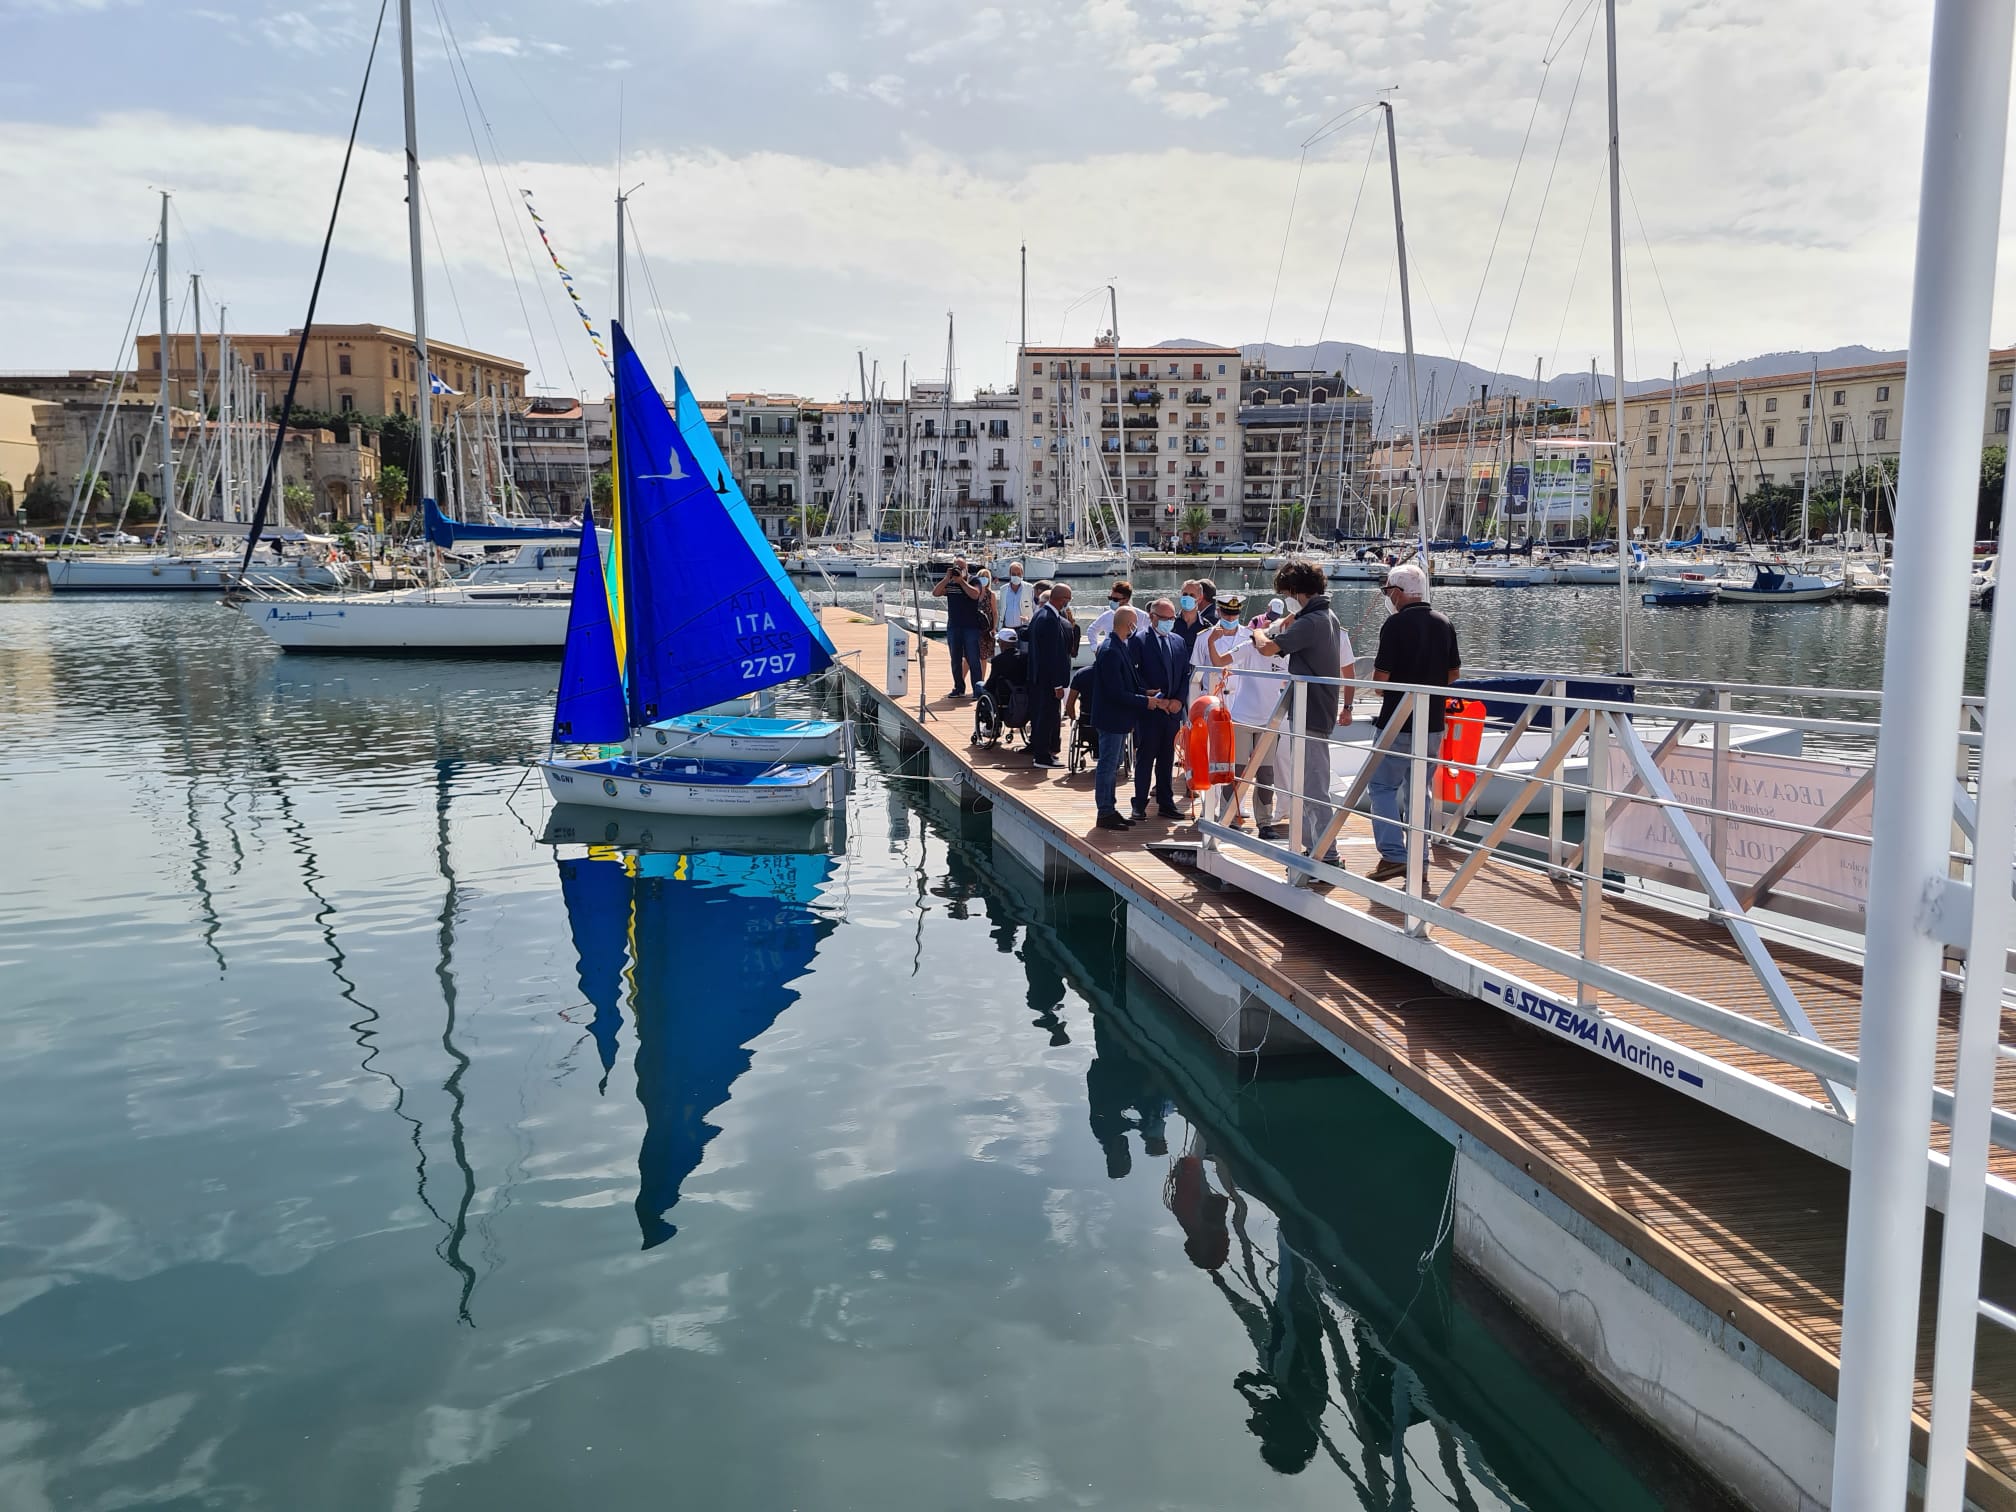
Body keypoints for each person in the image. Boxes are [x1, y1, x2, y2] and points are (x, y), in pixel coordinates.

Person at [1364, 561, 1461, 884]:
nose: (1388, 597)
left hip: (1397, 720)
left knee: (1382, 786)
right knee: (1421, 789)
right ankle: (1420, 857)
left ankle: (1393, 855)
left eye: (1388, 591)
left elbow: (1381, 681)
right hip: (1433, 721)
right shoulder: (1444, 622)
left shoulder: (1394, 626)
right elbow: (1453, 675)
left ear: (1399, 591)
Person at [1252, 559, 1346, 882]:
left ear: (1294, 592)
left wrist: (1260, 633)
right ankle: (1314, 850)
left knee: (1314, 787)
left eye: (1286, 592)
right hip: (1315, 709)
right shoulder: (1326, 616)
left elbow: (1267, 649)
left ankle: (1328, 857)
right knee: (1306, 786)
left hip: (1311, 712)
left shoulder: (1311, 622)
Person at [1212, 596, 1288, 835]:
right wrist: (1212, 642)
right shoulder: (1249, 646)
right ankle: (1229, 817)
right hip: (1243, 718)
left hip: (1269, 720)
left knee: (1266, 775)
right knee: (1238, 772)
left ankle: (1264, 823)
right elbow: (1220, 662)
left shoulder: (1287, 653)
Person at [1127, 597, 1192, 821]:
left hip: (1173, 712)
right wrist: (1158, 699)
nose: (1169, 622)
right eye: (1164, 618)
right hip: (1149, 710)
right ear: (1152, 617)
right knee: (1145, 758)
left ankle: (1166, 802)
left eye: (1172, 618)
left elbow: (1185, 674)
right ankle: (1139, 803)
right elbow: (1134, 675)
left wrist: (1179, 701)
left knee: (1167, 758)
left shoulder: (1178, 641)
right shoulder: (1138, 640)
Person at [1091, 606, 1155, 829]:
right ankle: (1104, 811)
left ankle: (1110, 807)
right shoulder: (1110, 651)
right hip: (1111, 718)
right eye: (1134, 624)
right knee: (1108, 765)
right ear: (1129, 625)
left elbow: (1127, 680)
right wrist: (1145, 701)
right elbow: (1115, 692)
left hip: (1118, 718)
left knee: (1114, 763)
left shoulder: (1118, 646)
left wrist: (1145, 692)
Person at [1024, 582, 1074, 768]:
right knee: (1046, 717)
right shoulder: (1051, 620)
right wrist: (1057, 684)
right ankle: (1042, 757)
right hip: (1047, 680)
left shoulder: (1039, 615)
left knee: (1040, 715)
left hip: (1037, 676)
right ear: (1061, 599)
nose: (1067, 604)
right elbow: (1053, 655)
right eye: (1067, 600)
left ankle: (1041, 752)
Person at [931, 556, 985, 697]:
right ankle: (959, 688)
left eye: (961, 567)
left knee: (973, 658)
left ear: (966, 568)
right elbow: (935, 593)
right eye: (956, 567)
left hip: (971, 627)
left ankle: (977, 689)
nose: (959, 570)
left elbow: (975, 595)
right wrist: (947, 578)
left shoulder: (974, 580)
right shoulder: (950, 583)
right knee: (955, 659)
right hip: (954, 626)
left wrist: (962, 581)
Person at [1088, 579, 1137, 648]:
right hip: (1111, 654)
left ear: (1126, 599)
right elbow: (1092, 630)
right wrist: (1095, 648)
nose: (1112, 601)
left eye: (1115, 599)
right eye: (1110, 598)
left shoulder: (1141, 616)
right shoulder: (1107, 616)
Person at [1172, 578, 1209, 652]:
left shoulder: (1207, 628)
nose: (1187, 597)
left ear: (1200, 598)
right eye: (1185, 594)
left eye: (1192, 595)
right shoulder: (1170, 623)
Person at [997, 561, 1033, 628]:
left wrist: (1030, 620)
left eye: (1018, 574)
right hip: (1007, 628)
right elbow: (1001, 609)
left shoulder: (1029, 588)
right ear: (1009, 574)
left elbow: (1034, 607)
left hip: (1024, 627)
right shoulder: (1003, 589)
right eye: (1013, 574)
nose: (1016, 576)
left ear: (1022, 574)